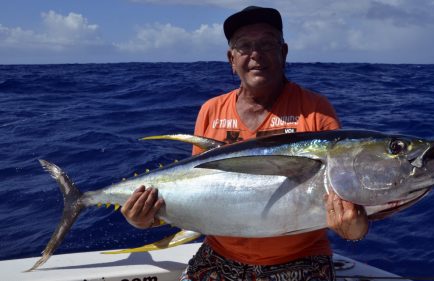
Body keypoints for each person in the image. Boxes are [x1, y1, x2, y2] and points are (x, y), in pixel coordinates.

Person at [121, 6, 369, 281]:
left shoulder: (315, 110)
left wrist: (354, 230)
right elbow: (197, 192)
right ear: (231, 58)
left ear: (283, 52)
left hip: (301, 260)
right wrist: (148, 218)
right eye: (244, 46)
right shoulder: (211, 110)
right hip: (220, 256)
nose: (256, 55)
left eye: (266, 44)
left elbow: (345, 210)